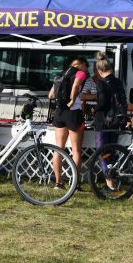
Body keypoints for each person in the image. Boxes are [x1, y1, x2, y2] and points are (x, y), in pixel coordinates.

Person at [49, 57, 89, 188]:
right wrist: (72, 100)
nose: (86, 70)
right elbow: (76, 85)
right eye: (86, 67)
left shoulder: (61, 74)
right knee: (76, 150)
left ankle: (58, 182)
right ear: (81, 65)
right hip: (73, 112)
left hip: (59, 112)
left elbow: (51, 95)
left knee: (58, 148)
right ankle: (75, 184)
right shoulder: (80, 73)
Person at [94, 51, 127, 190]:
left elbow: (102, 103)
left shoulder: (101, 83)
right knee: (112, 151)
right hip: (116, 121)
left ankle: (109, 182)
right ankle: (114, 178)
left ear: (99, 70)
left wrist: (94, 109)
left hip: (103, 122)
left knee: (102, 152)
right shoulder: (118, 82)